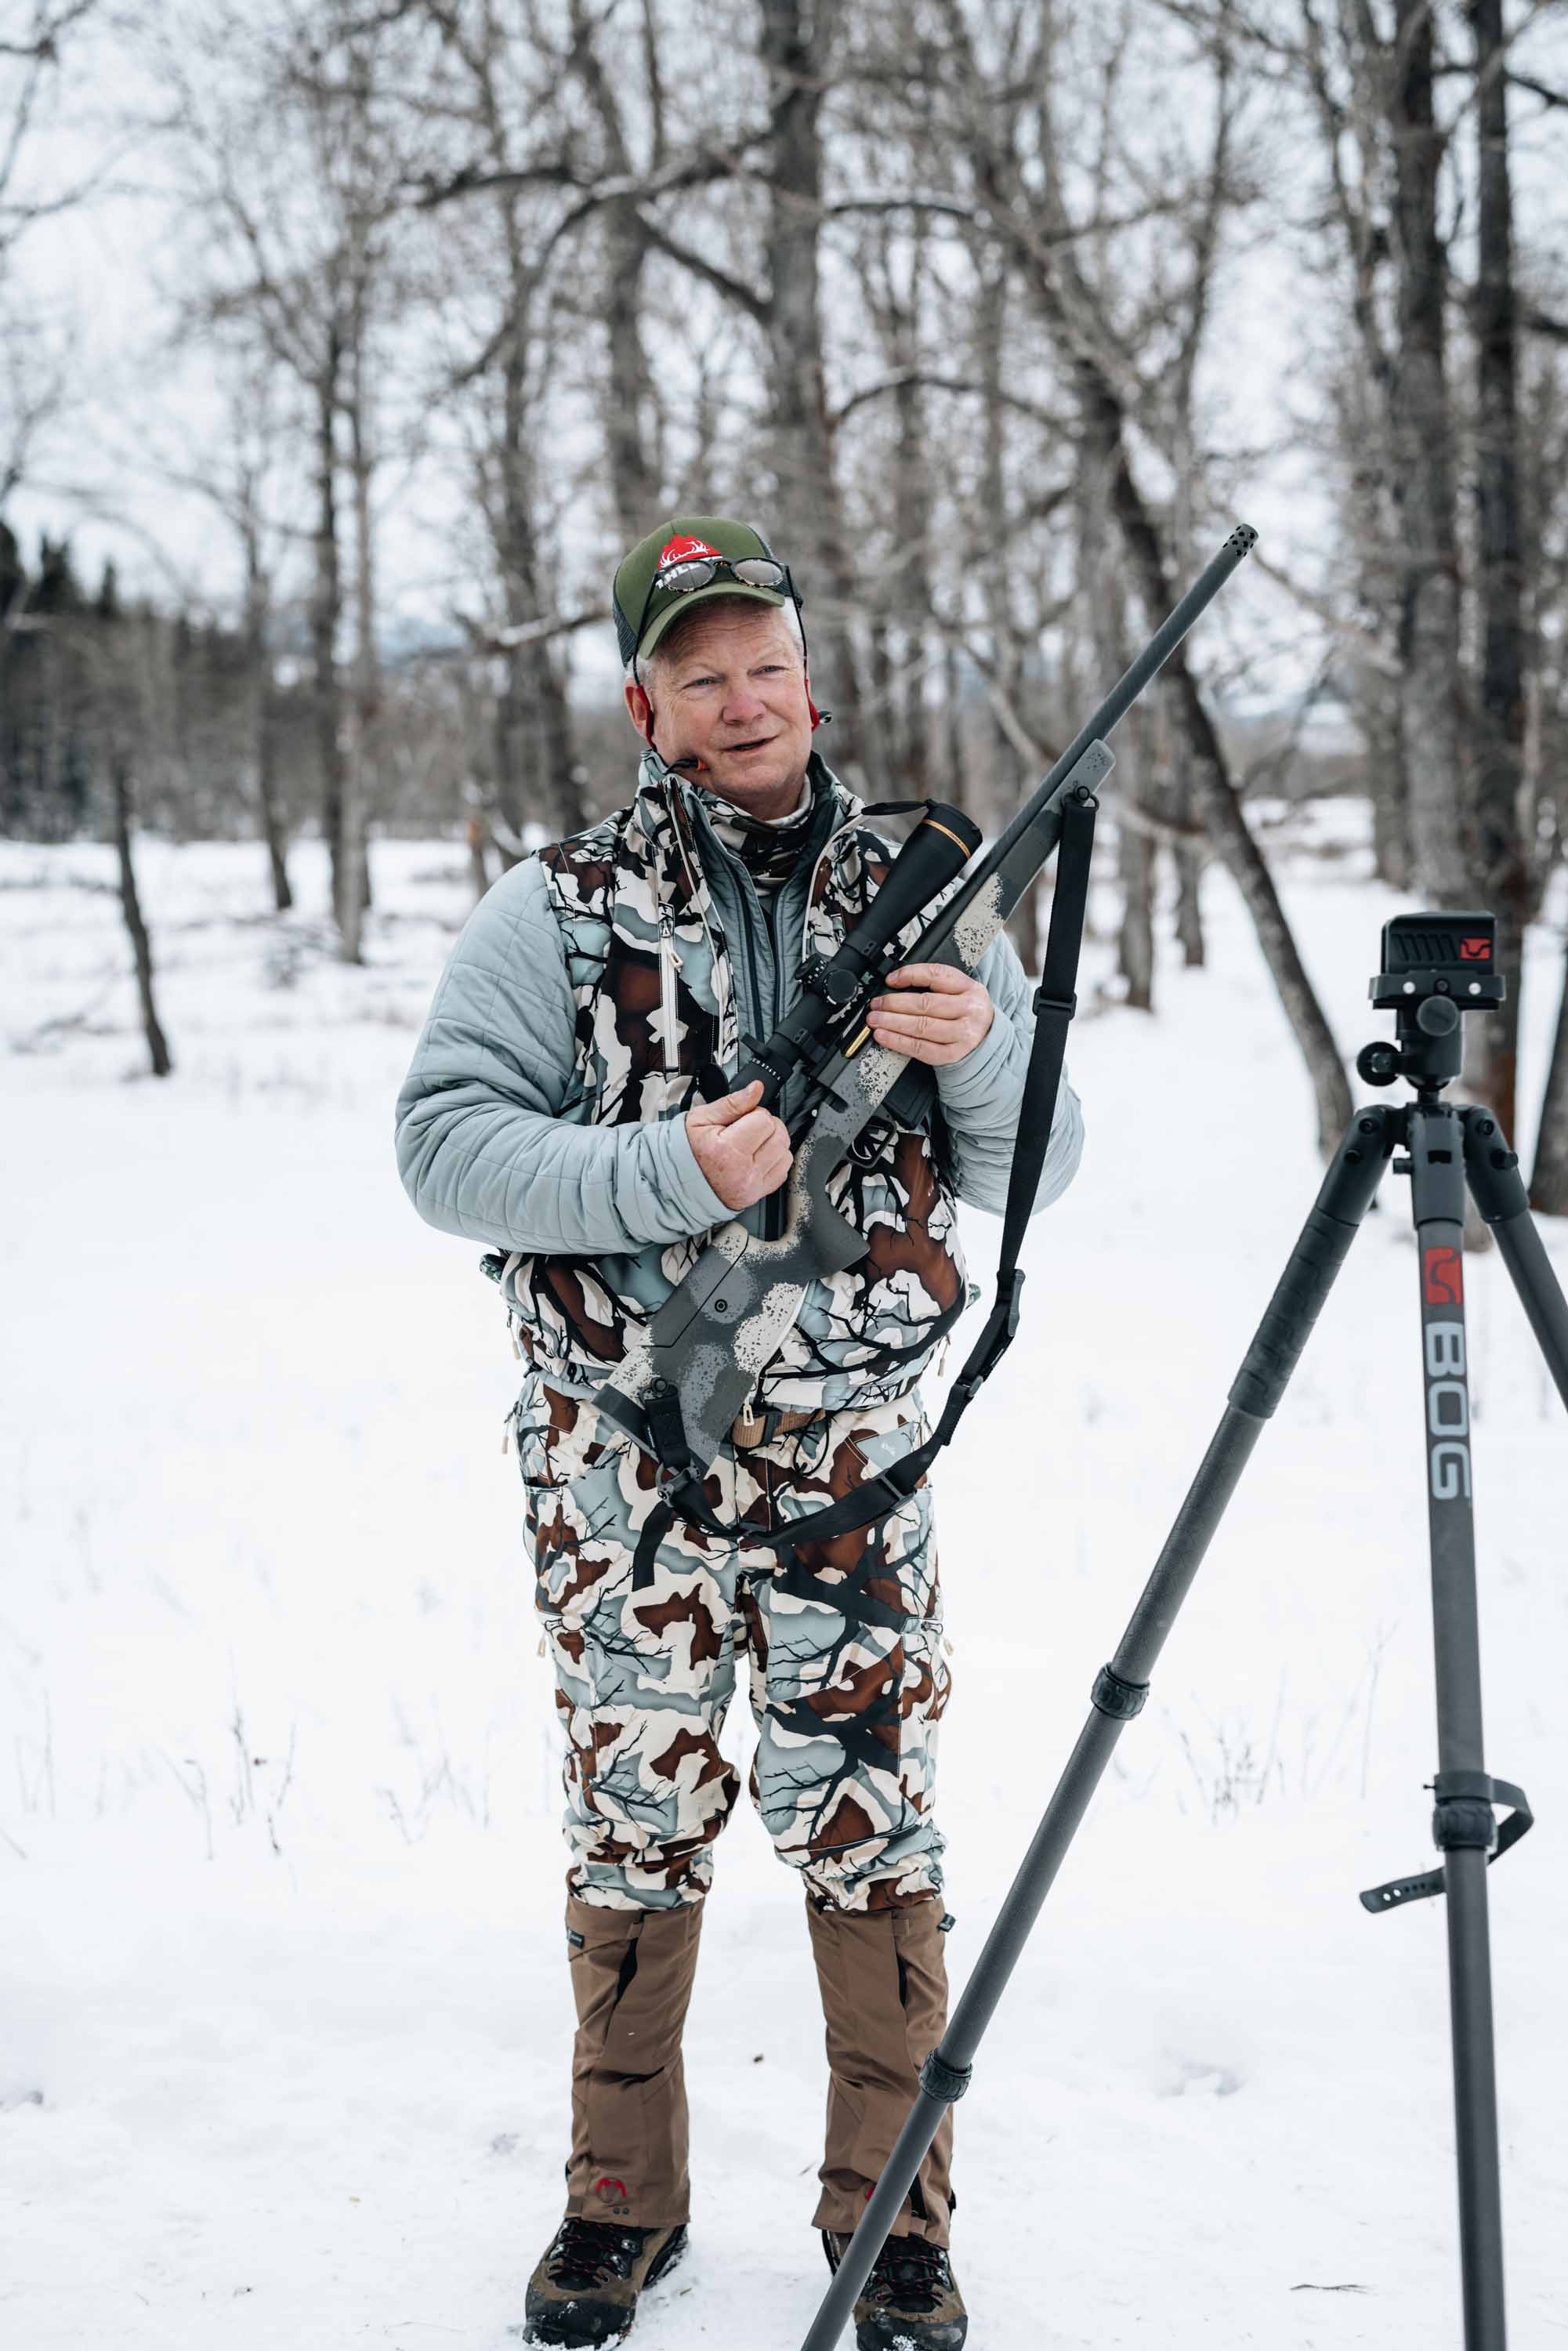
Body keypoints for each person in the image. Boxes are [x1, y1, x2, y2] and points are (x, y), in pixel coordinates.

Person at [395, 516, 1084, 2349]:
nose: (742, 694)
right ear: (646, 702)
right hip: (618, 1458)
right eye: (698, 670)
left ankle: (898, 2220)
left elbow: (1036, 1169)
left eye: (762, 656)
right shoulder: (555, 907)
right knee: (636, 1810)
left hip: (852, 1452)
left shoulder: (930, 889)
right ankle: (619, 2203)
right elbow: (441, 1149)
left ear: (805, 668)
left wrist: (980, 1051)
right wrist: (657, 1168)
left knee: (869, 1813)